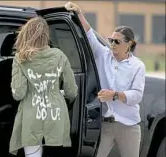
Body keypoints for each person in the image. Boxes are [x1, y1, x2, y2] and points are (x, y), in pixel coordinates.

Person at [65, 2, 145, 157]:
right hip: (105, 124)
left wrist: (114, 95)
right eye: (111, 40)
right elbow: (89, 34)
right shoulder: (103, 55)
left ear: (129, 44)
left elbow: (137, 96)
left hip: (128, 125)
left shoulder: (138, 66)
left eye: (117, 41)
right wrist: (79, 13)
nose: (112, 44)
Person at [9, 17, 78, 157]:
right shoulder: (60, 56)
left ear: (26, 34)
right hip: (56, 116)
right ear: (46, 35)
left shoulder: (20, 58)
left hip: (31, 116)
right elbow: (72, 91)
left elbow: (19, 94)